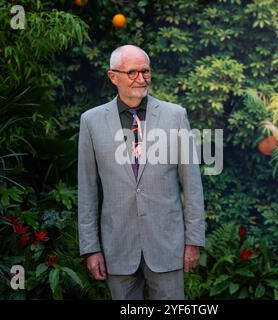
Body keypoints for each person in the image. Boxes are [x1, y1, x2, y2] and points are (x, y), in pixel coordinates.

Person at [77, 44, 205, 300]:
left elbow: (192, 184)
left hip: (168, 246)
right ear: (113, 76)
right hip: (118, 246)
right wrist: (90, 248)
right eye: (132, 72)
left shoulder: (175, 116)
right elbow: (87, 189)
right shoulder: (91, 121)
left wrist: (193, 241)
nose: (141, 79)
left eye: (145, 71)